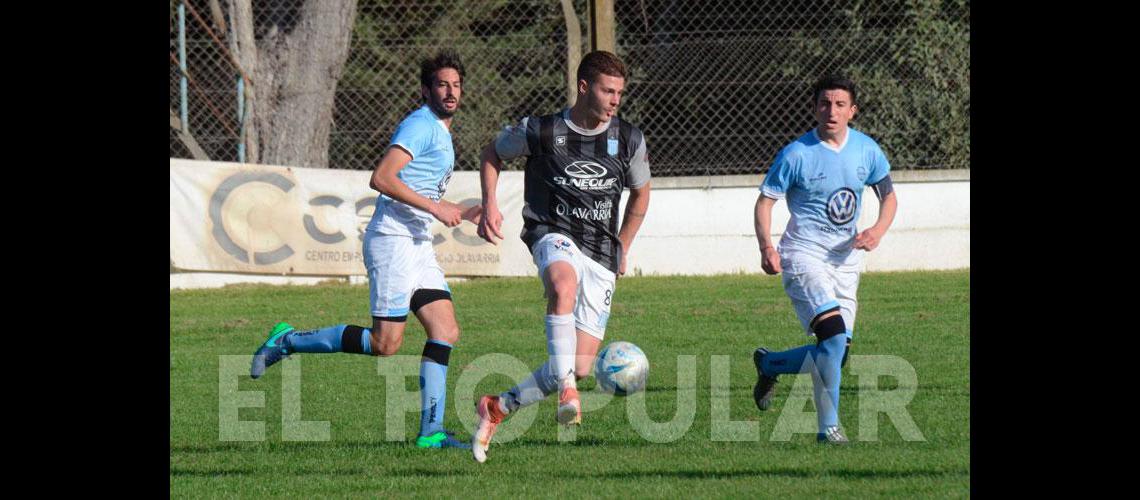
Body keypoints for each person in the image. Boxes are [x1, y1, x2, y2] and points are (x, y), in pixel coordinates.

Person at [249, 50, 479, 450]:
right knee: (384, 344)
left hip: (418, 243)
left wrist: (468, 211)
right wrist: (436, 208)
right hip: (393, 242)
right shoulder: (420, 125)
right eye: (442, 84)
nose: (450, 91)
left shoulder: (441, 131)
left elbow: (426, 193)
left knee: (445, 330)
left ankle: (431, 433)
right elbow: (382, 178)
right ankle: (287, 341)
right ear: (426, 89)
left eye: (456, 85)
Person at [469, 51, 651, 463]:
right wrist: (491, 204)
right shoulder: (543, 131)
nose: (615, 100)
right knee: (562, 285)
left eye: (620, 92)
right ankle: (567, 390)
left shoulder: (629, 139)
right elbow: (491, 153)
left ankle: (497, 407)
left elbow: (642, 191)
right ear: (584, 87)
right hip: (553, 233)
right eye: (608, 90)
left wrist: (623, 242)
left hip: (602, 251)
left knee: (578, 365)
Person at [750, 73, 898, 444]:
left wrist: (878, 230)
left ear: (853, 110)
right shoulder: (796, 153)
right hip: (804, 256)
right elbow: (765, 202)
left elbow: (889, 196)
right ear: (814, 107)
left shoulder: (867, 150)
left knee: (836, 355)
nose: (831, 110)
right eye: (824, 103)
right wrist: (767, 246)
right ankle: (828, 430)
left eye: (839, 104)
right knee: (831, 342)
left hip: (846, 261)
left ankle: (770, 363)